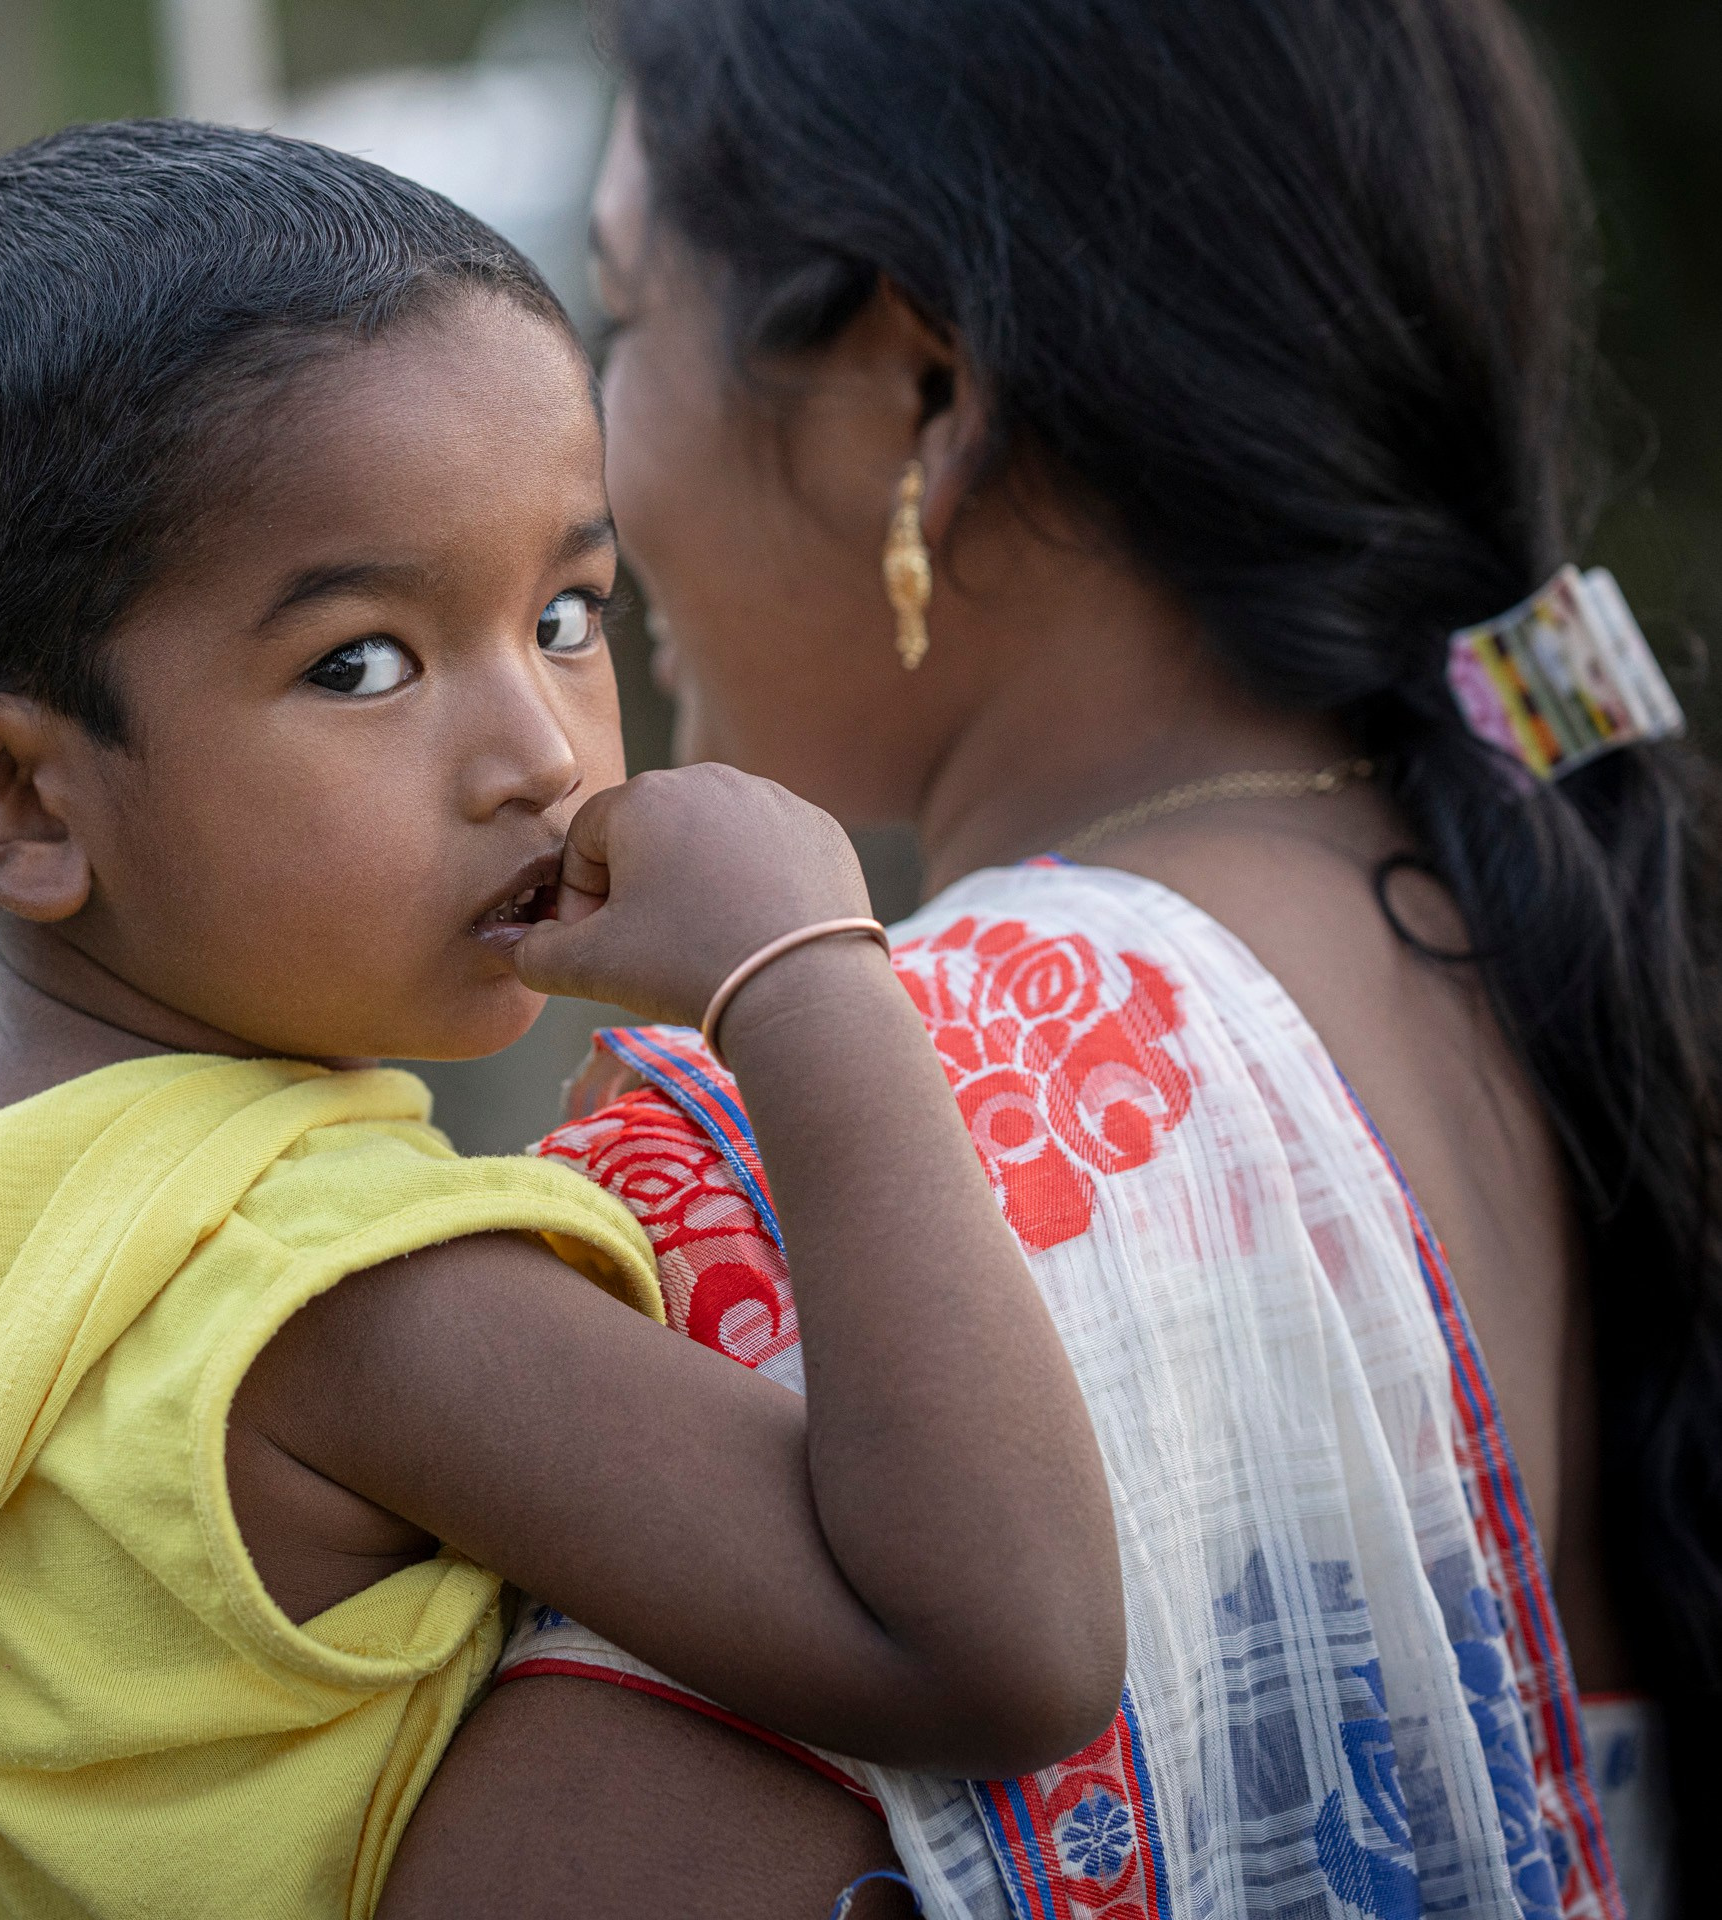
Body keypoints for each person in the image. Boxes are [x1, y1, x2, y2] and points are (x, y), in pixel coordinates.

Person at [0, 121, 1127, 1920]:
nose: (541, 755)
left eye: (567, 613)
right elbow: (1004, 1647)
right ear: (9, 797)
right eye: (362, 664)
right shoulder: (343, 1297)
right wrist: (806, 983)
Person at [379, 2, 1716, 1917]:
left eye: (625, 315)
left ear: (919, 393)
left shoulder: (812, 1155)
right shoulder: (1563, 933)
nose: (591, 461)